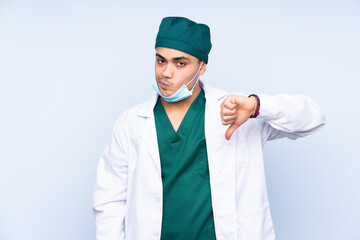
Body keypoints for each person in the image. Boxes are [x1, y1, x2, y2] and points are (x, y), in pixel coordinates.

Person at [92, 16, 325, 240]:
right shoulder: (131, 122)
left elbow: (313, 118)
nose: (166, 72)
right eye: (161, 60)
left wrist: (256, 106)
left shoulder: (236, 112)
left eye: (180, 63)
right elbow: (109, 199)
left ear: (202, 67)